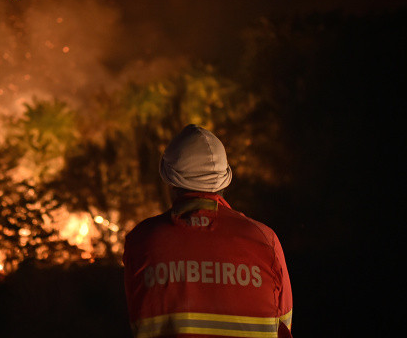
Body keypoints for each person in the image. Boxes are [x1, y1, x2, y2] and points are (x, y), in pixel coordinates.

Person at [123, 124, 293, 338]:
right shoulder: (265, 240)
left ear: (168, 179)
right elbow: (284, 327)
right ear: (225, 179)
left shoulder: (141, 241)